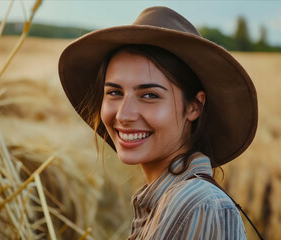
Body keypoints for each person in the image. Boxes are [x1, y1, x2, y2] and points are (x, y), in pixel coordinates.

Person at [58, 6, 259, 240]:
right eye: (114, 92)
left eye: (149, 95)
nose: (124, 115)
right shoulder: (166, 202)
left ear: (194, 106)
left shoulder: (198, 206)